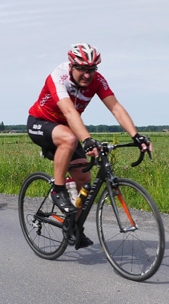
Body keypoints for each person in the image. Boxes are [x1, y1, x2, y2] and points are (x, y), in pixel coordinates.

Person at [27, 43, 152, 249]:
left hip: (68, 129)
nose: (87, 75)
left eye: (92, 69)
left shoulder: (98, 81)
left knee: (84, 179)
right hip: (41, 123)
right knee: (69, 139)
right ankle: (58, 190)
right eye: (82, 69)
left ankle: (72, 226)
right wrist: (86, 139)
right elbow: (69, 112)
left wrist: (136, 135)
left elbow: (116, 108)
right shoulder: (58, 77)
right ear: (71, 66)